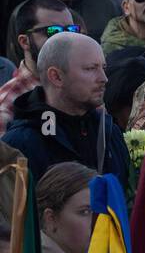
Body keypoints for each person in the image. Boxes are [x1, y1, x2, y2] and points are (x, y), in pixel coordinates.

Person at [2, 31, 130, 189]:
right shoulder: (20, 144)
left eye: (103, 68)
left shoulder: (109, 131)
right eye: (90, 68)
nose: (104, 78)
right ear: (56, 77)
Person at [0, 0, 76, 134]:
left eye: (71, 30)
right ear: (24, 41)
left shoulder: (83, 86)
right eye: (53, 31)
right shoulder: (7, 105)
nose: (65, 38)